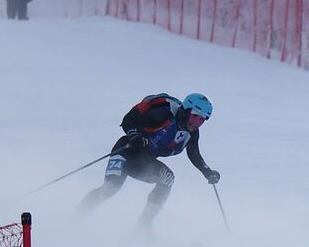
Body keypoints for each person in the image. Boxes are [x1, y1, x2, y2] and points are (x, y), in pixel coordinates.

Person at [79, 93, 220, 232]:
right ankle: (79, 214)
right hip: (125, 151)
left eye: (201, 120)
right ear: (186, 110)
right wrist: (135, 136)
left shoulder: (191, 133)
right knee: (111, 188)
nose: (195, 123)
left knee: (167, 178)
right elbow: (128, 120)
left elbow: (194, 153)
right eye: (194, 116)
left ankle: (144, 226)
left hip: (143, 162)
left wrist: (207, 172)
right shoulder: (164, 113)